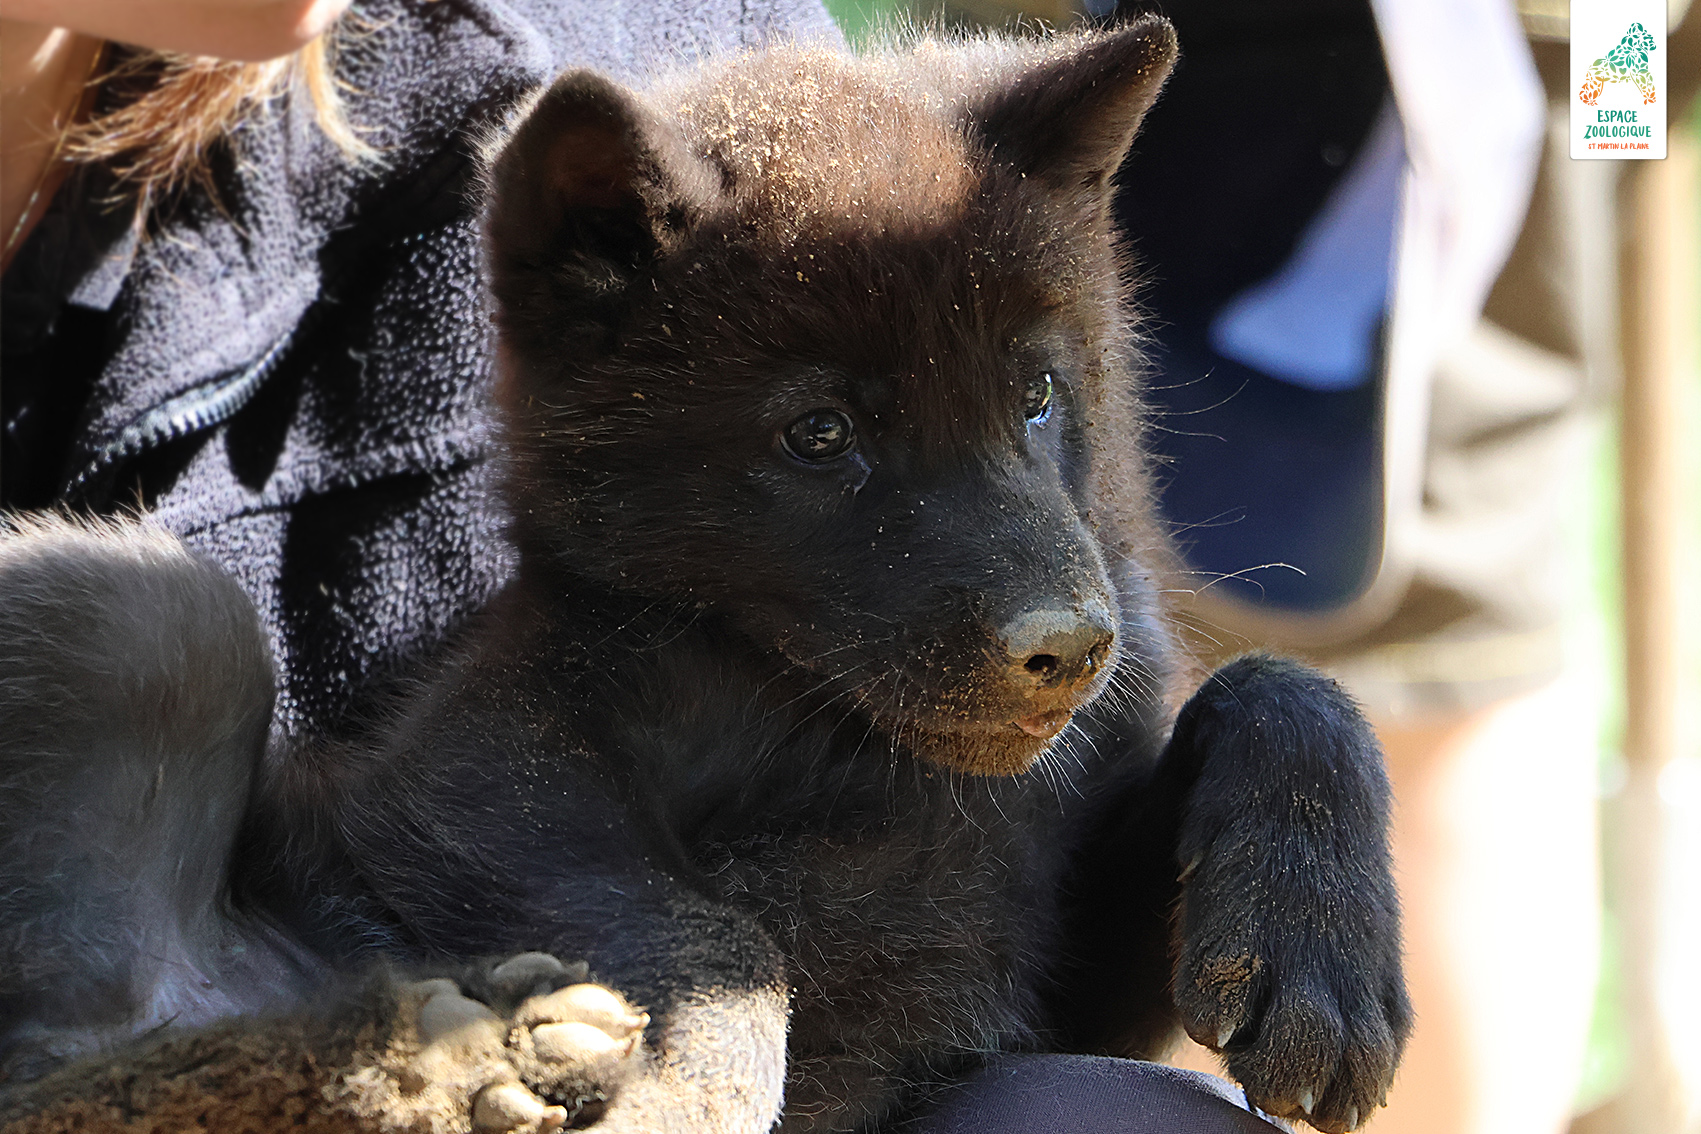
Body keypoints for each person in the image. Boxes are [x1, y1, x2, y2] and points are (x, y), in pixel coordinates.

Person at [1, 3, 1292, 1130]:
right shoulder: (633, 207)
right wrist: (696, 1000)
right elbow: (486, 785)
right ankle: (178, 1087)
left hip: (497, 1042)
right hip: (223, 987)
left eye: (1031, 408)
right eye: (821, 436)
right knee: (127, 631)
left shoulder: (660, 48)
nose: (1049, 599)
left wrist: (1283, 769)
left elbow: (1068, 976)